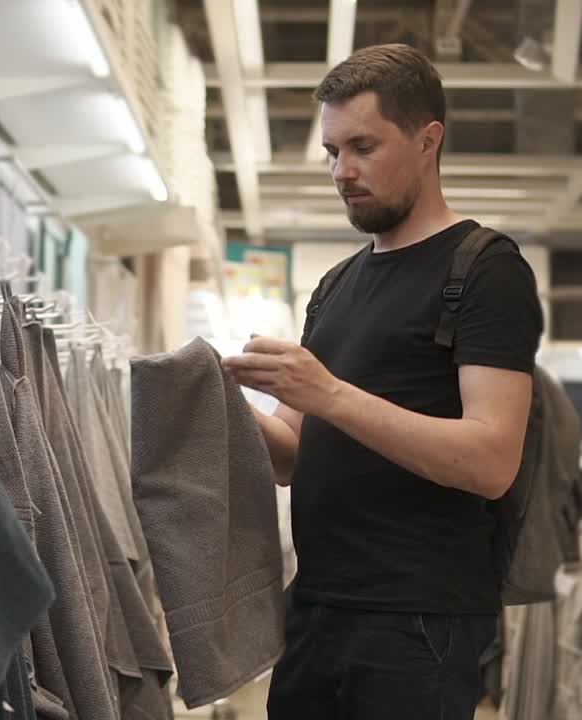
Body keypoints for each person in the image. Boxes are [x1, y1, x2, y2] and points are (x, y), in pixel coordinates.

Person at [221, 44, 544, 720]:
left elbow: (491, 461)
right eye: (332, 152)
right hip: (315, 609)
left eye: (363, 146)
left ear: (428, 141)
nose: (343, 171)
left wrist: (328, 393)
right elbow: (291, 457)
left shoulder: (485, 270)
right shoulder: (336, 285)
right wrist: (214, 398)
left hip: (418, 621)